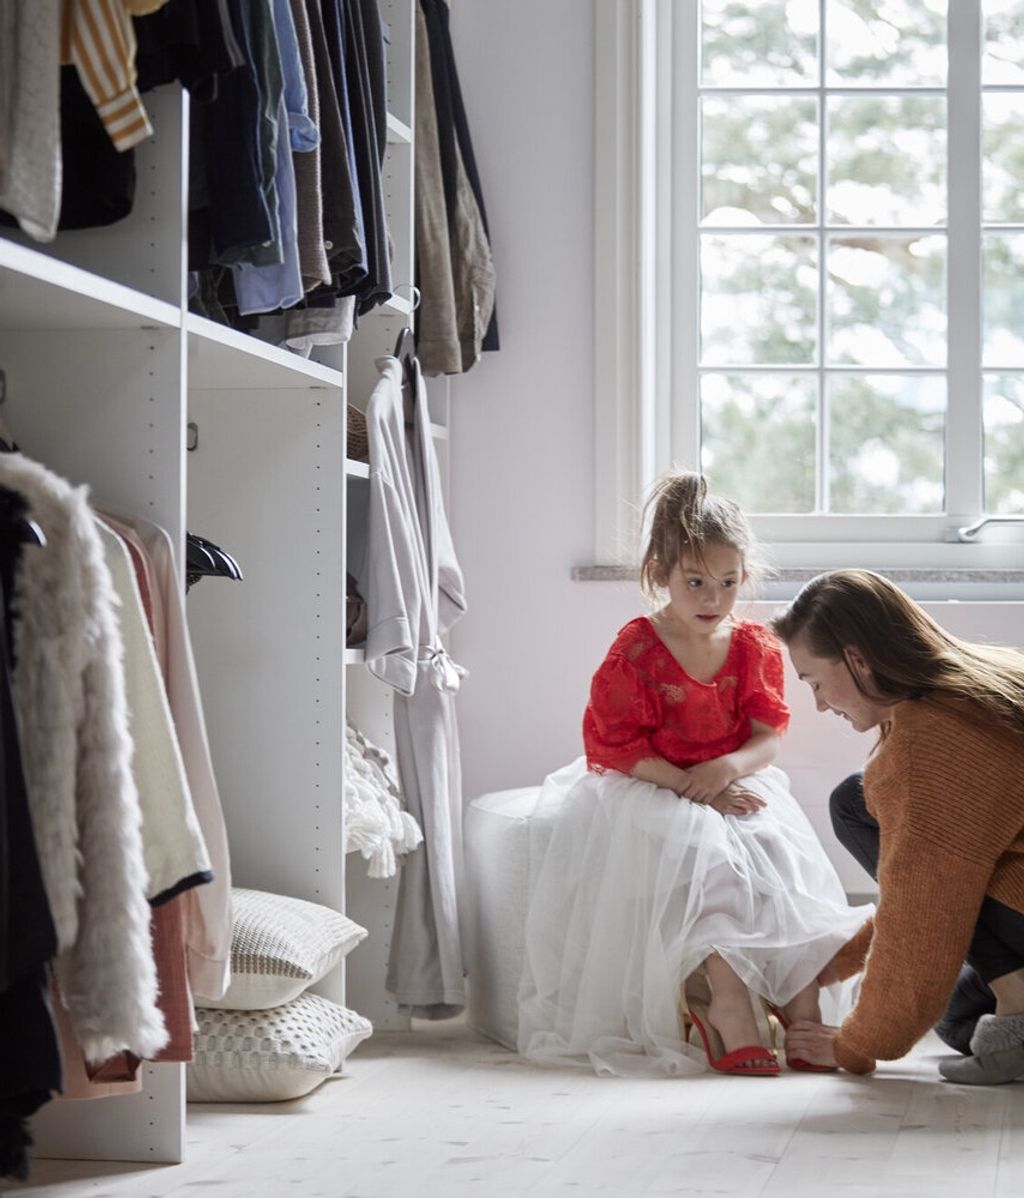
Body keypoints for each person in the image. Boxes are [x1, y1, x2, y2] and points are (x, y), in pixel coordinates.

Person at [517, 472, 872, 1078]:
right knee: (711, 860)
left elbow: (767, 736)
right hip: (652, 779)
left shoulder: (752, 644)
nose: (713, 599)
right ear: (660, 573)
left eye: (729, 584)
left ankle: (799, 1000)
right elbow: (614, 744)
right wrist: (691, 785)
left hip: (728, 776)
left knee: (777, 853)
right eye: (696, 583)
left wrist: (723, 771)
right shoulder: (637, 648)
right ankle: (728, 1003)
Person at [771, 569, 1024, 1083]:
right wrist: (843, 959)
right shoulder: (982, 678)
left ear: (857, 660)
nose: (819, 703)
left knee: (853, 804)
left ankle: (1018, 1000)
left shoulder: (926, 746)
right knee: (956, 1016)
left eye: (815, 682)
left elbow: (926, 909)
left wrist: (853, 1046)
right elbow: (920, 874)